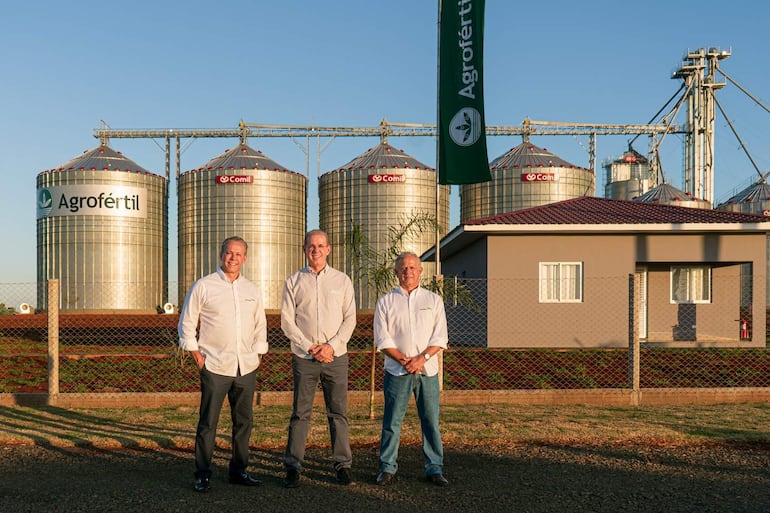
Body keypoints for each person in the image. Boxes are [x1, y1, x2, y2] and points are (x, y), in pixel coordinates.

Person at [178, 236, 268, 493]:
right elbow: (187, 322)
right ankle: (203, 473)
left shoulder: (252, 290)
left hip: (246, 367)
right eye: (229, 253)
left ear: (245, 258)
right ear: (221, 255)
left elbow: (260, 324)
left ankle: (238, 470)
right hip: (215, 365)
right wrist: (196, 354)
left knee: (244, 421)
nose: (233, 258)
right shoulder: (204, 286)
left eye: (238, 254)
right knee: (208, 422)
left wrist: (258, 354)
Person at [281, 229, 357, 487]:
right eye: (311, 246)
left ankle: (342, 465)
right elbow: (287, 322)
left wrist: (331, 347)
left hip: (335, 357)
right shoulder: (293, 281)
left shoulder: (342, 281)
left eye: (320, 245)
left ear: (328, 249)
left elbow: (350, 319)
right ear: (304, 249)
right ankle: (293, 466)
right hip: (304, 356)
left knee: (338, 412)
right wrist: (310, 346)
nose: (316, 250)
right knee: (301, 413)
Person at [373, 251, 449, 487]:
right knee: (392, 422)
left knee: (430, 421)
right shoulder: (386, 301)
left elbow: (440, 336)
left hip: (427, 372)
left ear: (420, 271)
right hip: (397, 371)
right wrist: (404, 360)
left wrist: (422, 358)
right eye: (403, 268)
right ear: (396, 272)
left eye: (412, 268)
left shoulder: (433, 300)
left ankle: (434, 467)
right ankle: (387, 468)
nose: (408, 272)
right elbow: (382, 338)